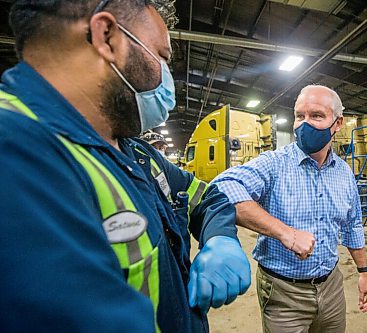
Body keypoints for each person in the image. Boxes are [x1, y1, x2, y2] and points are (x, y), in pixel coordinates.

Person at [0, 1, 251, 332]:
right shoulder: (18, 153)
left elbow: (206, 197)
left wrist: (220, 238)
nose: (166, 75)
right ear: (107, 36)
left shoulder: (137, 152)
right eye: (162, 56)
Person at [212, 85, 367, 333]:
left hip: (331, 287)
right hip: (283, 292)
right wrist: (284, 232)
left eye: (316, 116)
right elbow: (221, 187)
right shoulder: (274, 163)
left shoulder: (344, 173)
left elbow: (352, 225)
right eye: (300, 116)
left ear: (338, 123)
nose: (304, 124)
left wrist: (364, 273)